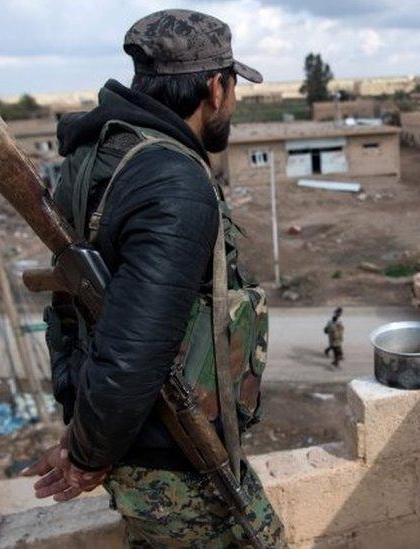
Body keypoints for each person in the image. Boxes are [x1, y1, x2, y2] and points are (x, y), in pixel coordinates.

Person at [21, 9, 285, 547]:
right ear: (216, 87)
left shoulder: (100, 154)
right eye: (233, 89)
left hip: (140, 443)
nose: (231, 104)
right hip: (174, 459)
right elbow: (133, 348)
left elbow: (92, 307)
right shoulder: (173, 180)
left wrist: (85, 436)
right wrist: (88, 455)